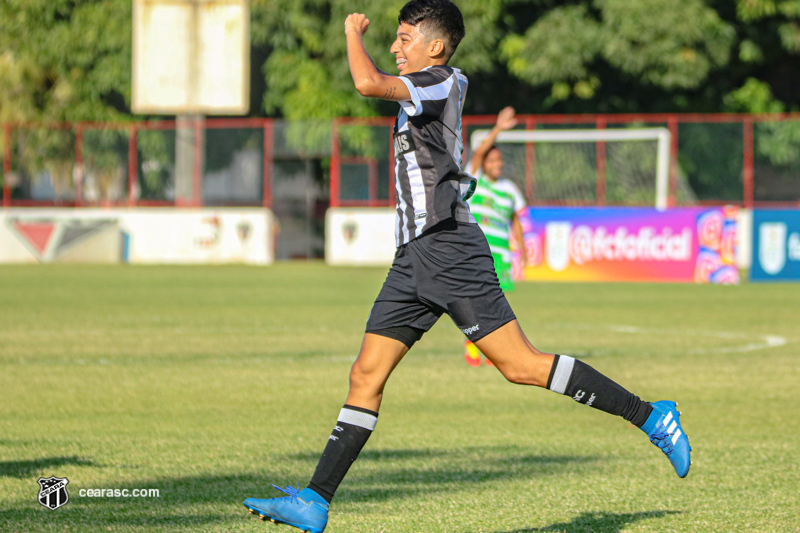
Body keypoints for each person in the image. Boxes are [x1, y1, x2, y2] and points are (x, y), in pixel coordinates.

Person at [243, 2, 691, 532]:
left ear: (435, 45)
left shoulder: (440, 81)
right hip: (413, 257)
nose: (395, 46)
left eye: (404, 37)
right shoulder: (426, 87)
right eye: (395, 38)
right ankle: (315, 500)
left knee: (521, 366)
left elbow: (366, 82)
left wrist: (351, 31)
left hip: (452, 250)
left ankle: (651, 415)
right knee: (365, 374)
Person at [463, 106, 528, 367]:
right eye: (493, 160)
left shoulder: (509, 189)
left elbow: (516, 220)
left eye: (499, 161)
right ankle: (473, 344)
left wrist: (521, 248)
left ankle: (492, 349)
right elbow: (478, 153)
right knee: (476, 299)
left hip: (500, 255)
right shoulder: (475, 180)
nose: (497, 164)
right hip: (477, 251)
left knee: (496, 302)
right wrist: (499, 128)